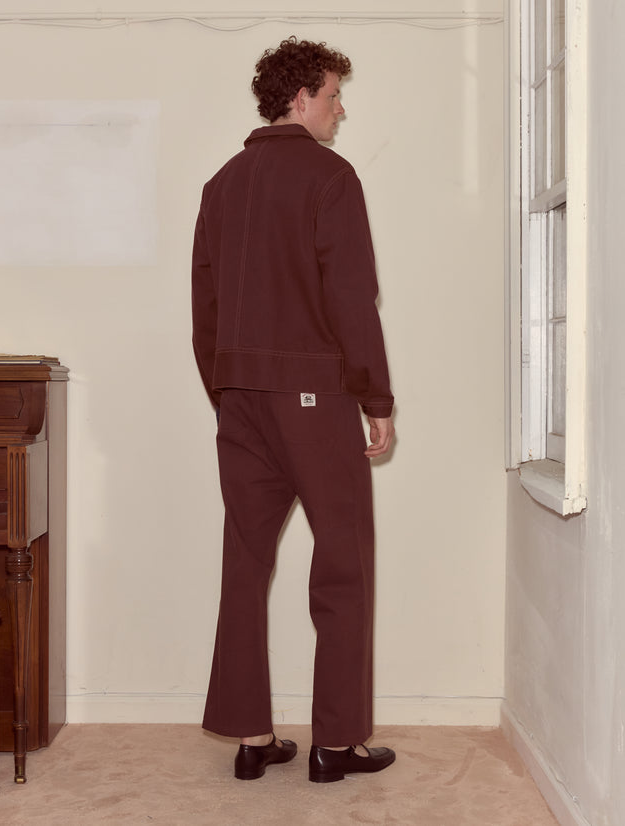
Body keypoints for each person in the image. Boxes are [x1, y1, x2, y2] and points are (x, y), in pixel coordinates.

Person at [192, 36, 396, 784]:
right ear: (299, 97)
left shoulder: (222, 183)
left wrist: (228, 390)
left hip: (240, 399)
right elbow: (352, 299)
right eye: (335, 95)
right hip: (314, 400)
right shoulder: (330, 178)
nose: (342, 111)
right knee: (342, 562)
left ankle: (251, 737)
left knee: (245, 560)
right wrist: (374, 397)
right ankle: (334, 745)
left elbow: (204, 310)